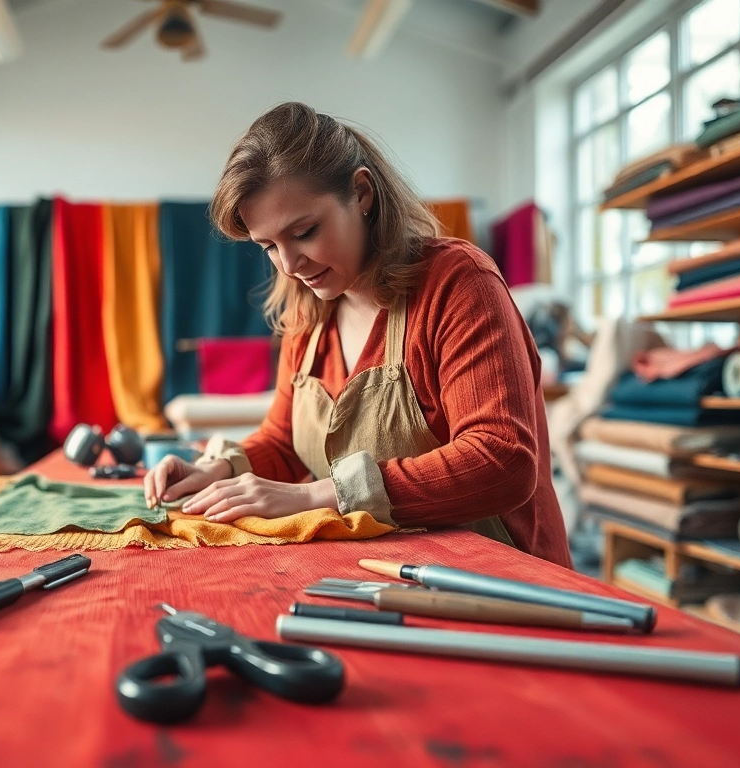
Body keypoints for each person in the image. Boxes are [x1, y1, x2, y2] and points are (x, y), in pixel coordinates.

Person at [142, 102, 571, 566]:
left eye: (304, 232)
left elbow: (501, 462)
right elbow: (284, 441)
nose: (289, 265)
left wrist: (314, 498)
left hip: (505, 578)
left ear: (362, 193)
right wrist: (215, 471)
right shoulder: (309, 311)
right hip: (387, 570)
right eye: (268, 247)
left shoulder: (457, 283)